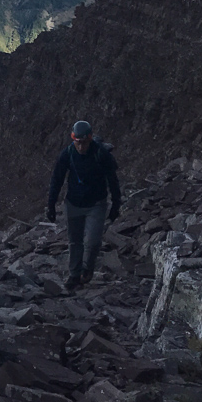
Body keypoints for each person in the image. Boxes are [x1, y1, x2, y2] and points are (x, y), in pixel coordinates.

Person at [46, 120, 120, 290]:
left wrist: (116, 203)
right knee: (75, 241)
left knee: (93, 242)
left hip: (96, 203)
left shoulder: (101, 153)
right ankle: (74, 275)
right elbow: (56, 180)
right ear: (74, 140)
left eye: (84, 143)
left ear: (90, 139)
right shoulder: (67, 154)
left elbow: (113, 180)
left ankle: (87, 269)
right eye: (77, 143)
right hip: (73, 203)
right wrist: (51, 205)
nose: (81, 147)